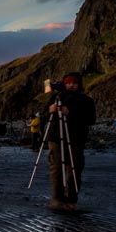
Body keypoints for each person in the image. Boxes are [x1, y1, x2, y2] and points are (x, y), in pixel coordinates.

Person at [45, 71, 96, 211]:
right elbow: (42, 115)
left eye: (74, 83)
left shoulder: (86, 100)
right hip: (55, 137)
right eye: (68, 83)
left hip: (76, 138)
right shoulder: (56, 97)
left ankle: (71, 199)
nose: (71, 85)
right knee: (56, 169)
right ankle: (57, 198)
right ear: (64, 84)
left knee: (74, 169)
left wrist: (71, 113)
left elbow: (91, 119)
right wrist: (50, 110)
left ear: (79, 84)